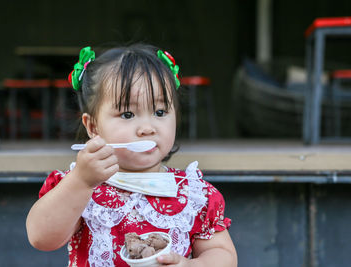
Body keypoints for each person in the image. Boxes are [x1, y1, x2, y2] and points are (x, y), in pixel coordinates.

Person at [26, 44, 237, 267]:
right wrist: (81, 181)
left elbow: (222, 254)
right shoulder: (83, 188)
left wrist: (189, 265)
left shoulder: (191, 193)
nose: (147, 127)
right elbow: (41, 238)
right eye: (127, 114)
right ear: (93, 127)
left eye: (160, 112)